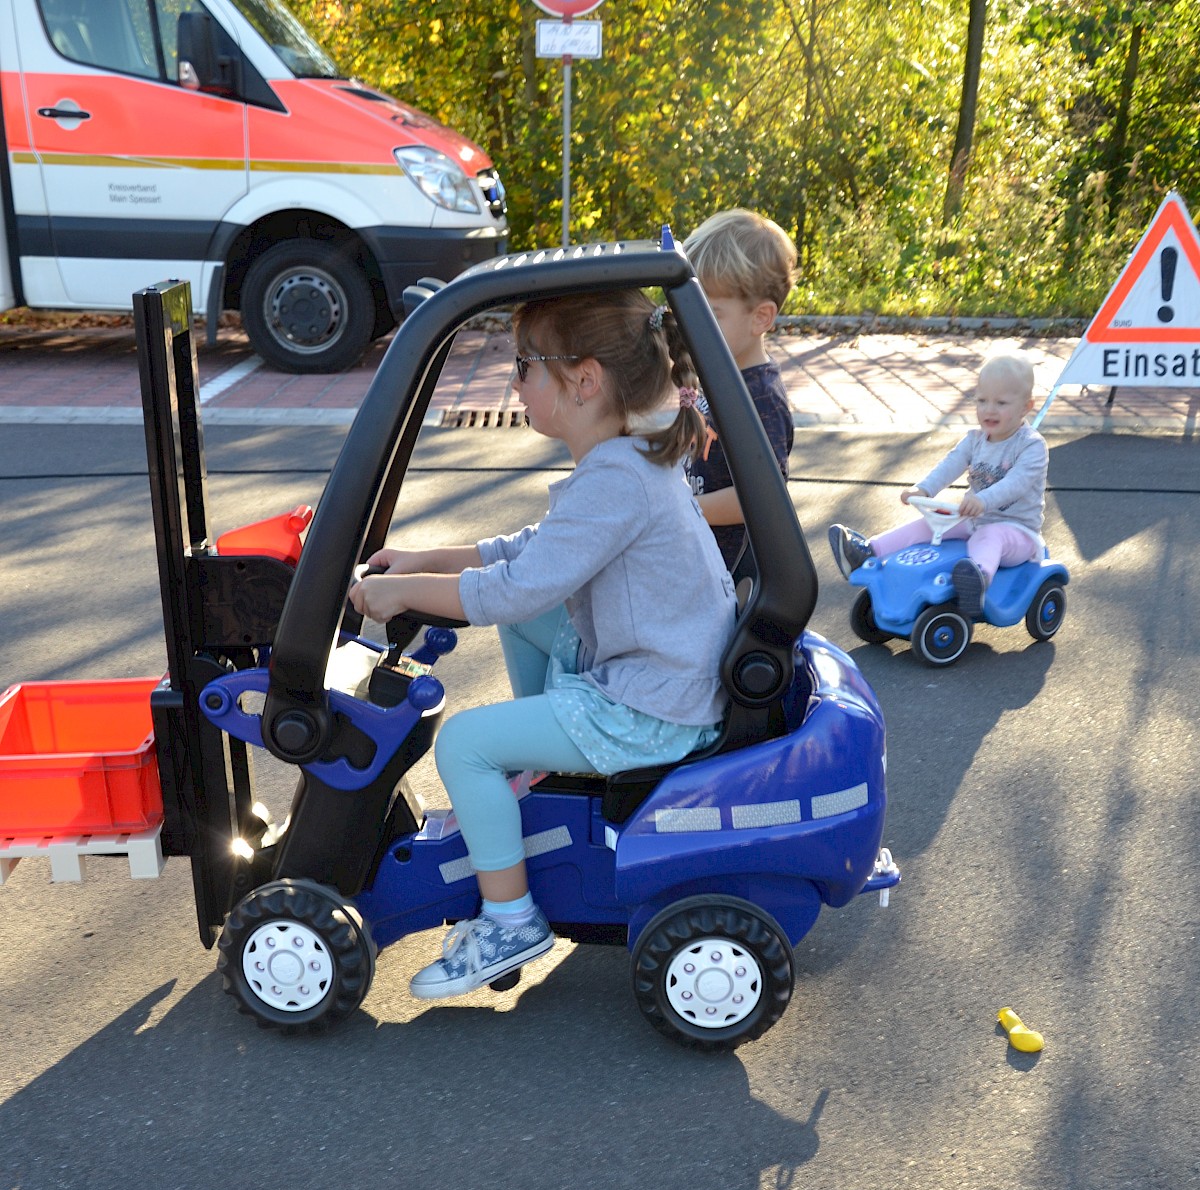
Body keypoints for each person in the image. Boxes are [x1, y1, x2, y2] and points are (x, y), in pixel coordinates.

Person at [348, 288, 737, 1002]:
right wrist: (423, 558)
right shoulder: (626, 458)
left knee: (464, 744)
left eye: (525, 365)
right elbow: (533, 556)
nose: (514, 382)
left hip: (652, 706)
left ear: (584, 381)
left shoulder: (617, 478)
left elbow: (512, 588)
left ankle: (508, 920)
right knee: (531, 616)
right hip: (664, 673)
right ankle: (535, 771)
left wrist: (400, 595)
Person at [827, 352, 1048, 617]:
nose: (989, 409)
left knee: (989, 536)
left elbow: (1017, 483)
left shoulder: (1031, 446)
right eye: (981, 400)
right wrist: (923, 489)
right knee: (929, 523)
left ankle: (978, 580)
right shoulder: (976, 439)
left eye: (1001, 403)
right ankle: (868, 551)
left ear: (1026, 406)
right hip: (975, 518)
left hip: (1017, 531)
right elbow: (950, 464)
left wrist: (983, 500)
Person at [681, 209, 797, 571]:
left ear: (760, 317)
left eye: (710, 314)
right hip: (697, 552)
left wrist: (684, 510)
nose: (692, 324)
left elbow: (764, 499)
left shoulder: (761, 396)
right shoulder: (720, 371)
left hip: (727, 574)